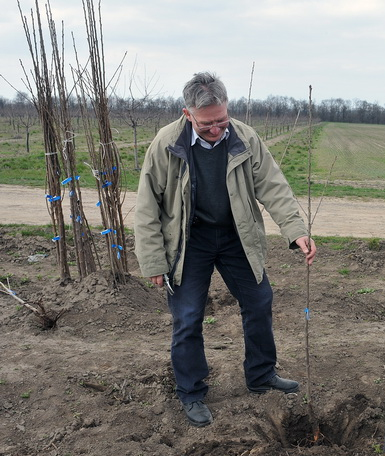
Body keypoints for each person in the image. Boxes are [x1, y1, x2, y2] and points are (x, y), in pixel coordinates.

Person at [134, 72, 316, 427]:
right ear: (187, 114)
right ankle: (191, 392)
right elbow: (147, 206)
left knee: (260, 302)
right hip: (189, 242)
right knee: (187, 318)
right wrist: (154, 260)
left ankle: (261, 375)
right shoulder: (166, 143)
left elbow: (274, 186)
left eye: (222, 120)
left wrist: (296, 231)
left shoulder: (246, 138)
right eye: (207, 124)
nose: (216, 129)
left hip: (236, 237)